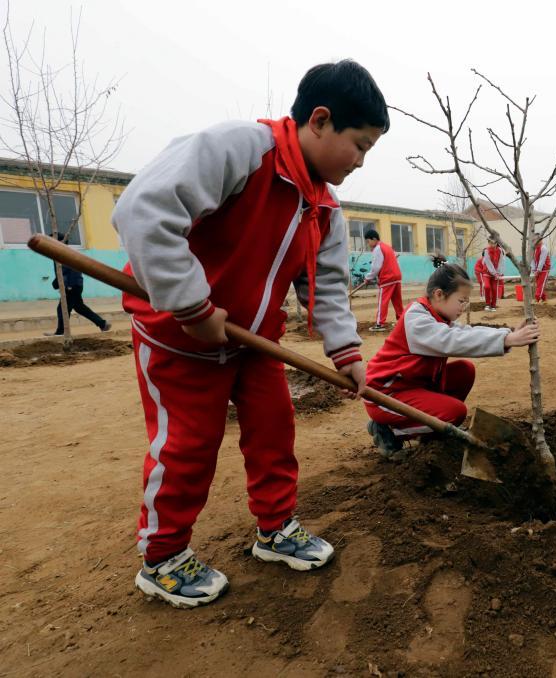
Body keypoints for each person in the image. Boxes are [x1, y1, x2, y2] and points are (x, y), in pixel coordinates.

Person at [111, 60, 389, 608]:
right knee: (188, 445)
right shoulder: (240, 148)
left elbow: (326, 287)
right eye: (358, 146)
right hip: (178, 337)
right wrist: (193, 306)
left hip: (255, 341)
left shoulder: (326, 206)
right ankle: (162, 557)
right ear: (320, 119)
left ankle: (276, 528)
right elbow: (144, 211)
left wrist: (346, 352)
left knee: (273, 431)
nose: (360, 161)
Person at [364, 264, 540, 458]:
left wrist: (509, 334)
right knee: (455, 413)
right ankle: (388, 431)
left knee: (464, 370)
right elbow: (451, 340)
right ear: (439, 294)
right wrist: (507, 340)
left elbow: (464, 332)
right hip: (385, 394)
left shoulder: (437, 315)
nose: (463, 308)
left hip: (413, 385)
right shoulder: (416, 318)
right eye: (461, 301)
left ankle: (430, 430)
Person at [44, 235, 112, 336]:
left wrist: (69, 286)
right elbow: (62, 272)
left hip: (72, 286)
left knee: (62, 308)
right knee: (79, 307)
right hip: (74, 285)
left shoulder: (66, 254)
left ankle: (61, 332)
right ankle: (103, 324)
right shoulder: (58, 254)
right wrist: (57, 283)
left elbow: (75, 270)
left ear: (59, 242)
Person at [363, 229, 403, 332]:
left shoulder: (378, 248)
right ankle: (402, 321)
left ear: (374, 239)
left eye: (368, 241)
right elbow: (395, 256)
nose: (368, 244)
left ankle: (379, 324)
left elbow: (376, 267)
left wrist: (368, 278)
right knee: (397, 301)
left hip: (387, 278)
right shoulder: (387, 247)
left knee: (383, 301)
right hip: (396, 276)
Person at [482, 238, 504, 312]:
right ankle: (487, 304)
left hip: (496, 274)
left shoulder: (500, 250)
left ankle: (493, 305)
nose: (492, 244)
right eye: (490, 243)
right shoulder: (486, 250)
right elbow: (488, 263)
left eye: (493, 243)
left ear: (496, 243)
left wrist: (498, 272)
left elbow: (500, 262)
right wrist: (494, 273)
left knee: (494, 289)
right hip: (487, 272)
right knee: (487, 287)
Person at [531, 236, 551, 302]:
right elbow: (533, 260)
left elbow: (542, 260)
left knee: (540, 284)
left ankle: (537, 299)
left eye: (535, 240)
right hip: (537, 269)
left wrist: (538, 270)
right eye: (533, 240)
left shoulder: (543, 248)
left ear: (540, 240)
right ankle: (544, 299)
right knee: (539, 284)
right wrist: (533, 270)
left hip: (545, 269)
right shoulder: (534, 249)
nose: (534, 242)